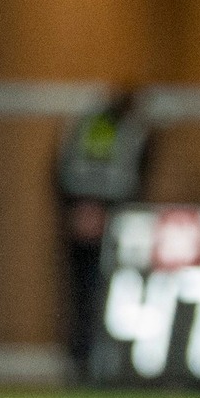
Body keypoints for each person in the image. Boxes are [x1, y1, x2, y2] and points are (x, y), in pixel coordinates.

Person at [55, 90, 148, 376]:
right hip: (105, 221)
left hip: (84, 215)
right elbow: (121, 174)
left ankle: (87, 362)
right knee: (95, 295)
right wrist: (100, 209)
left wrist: (75, 206)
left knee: (88, 295)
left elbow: (64, 166)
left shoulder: (86, 123)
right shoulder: (125, 129)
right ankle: (92, 363)